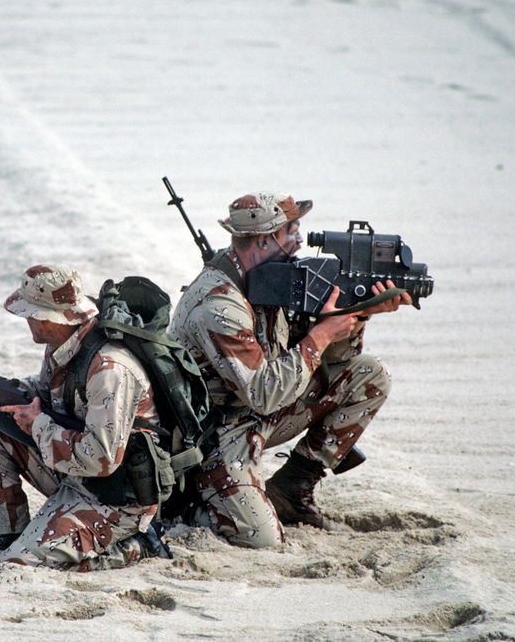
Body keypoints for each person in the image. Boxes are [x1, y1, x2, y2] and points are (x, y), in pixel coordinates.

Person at [168, 192, 411, 546]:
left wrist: (357, 313)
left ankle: (292, 489)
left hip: (255, 413)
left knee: (368, 375)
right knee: (260, 539)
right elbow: (264, 394)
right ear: (264, 239)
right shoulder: (219, 303)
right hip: (216, 432)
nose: (299, 240)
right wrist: (321, 335)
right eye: (292, 231)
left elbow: (332, 361)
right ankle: (185, 507)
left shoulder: (269, 278)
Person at [0, 263, 171, 570]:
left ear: (49, 318)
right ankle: (10, 534)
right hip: (77, 472)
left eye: (30, 314)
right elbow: (46, 394)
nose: (27, 320)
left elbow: (101, 457)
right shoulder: (63, 344)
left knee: (23, 563)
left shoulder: (110, 369)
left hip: (116, 495)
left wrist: (38, 425)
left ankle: (137, 546)